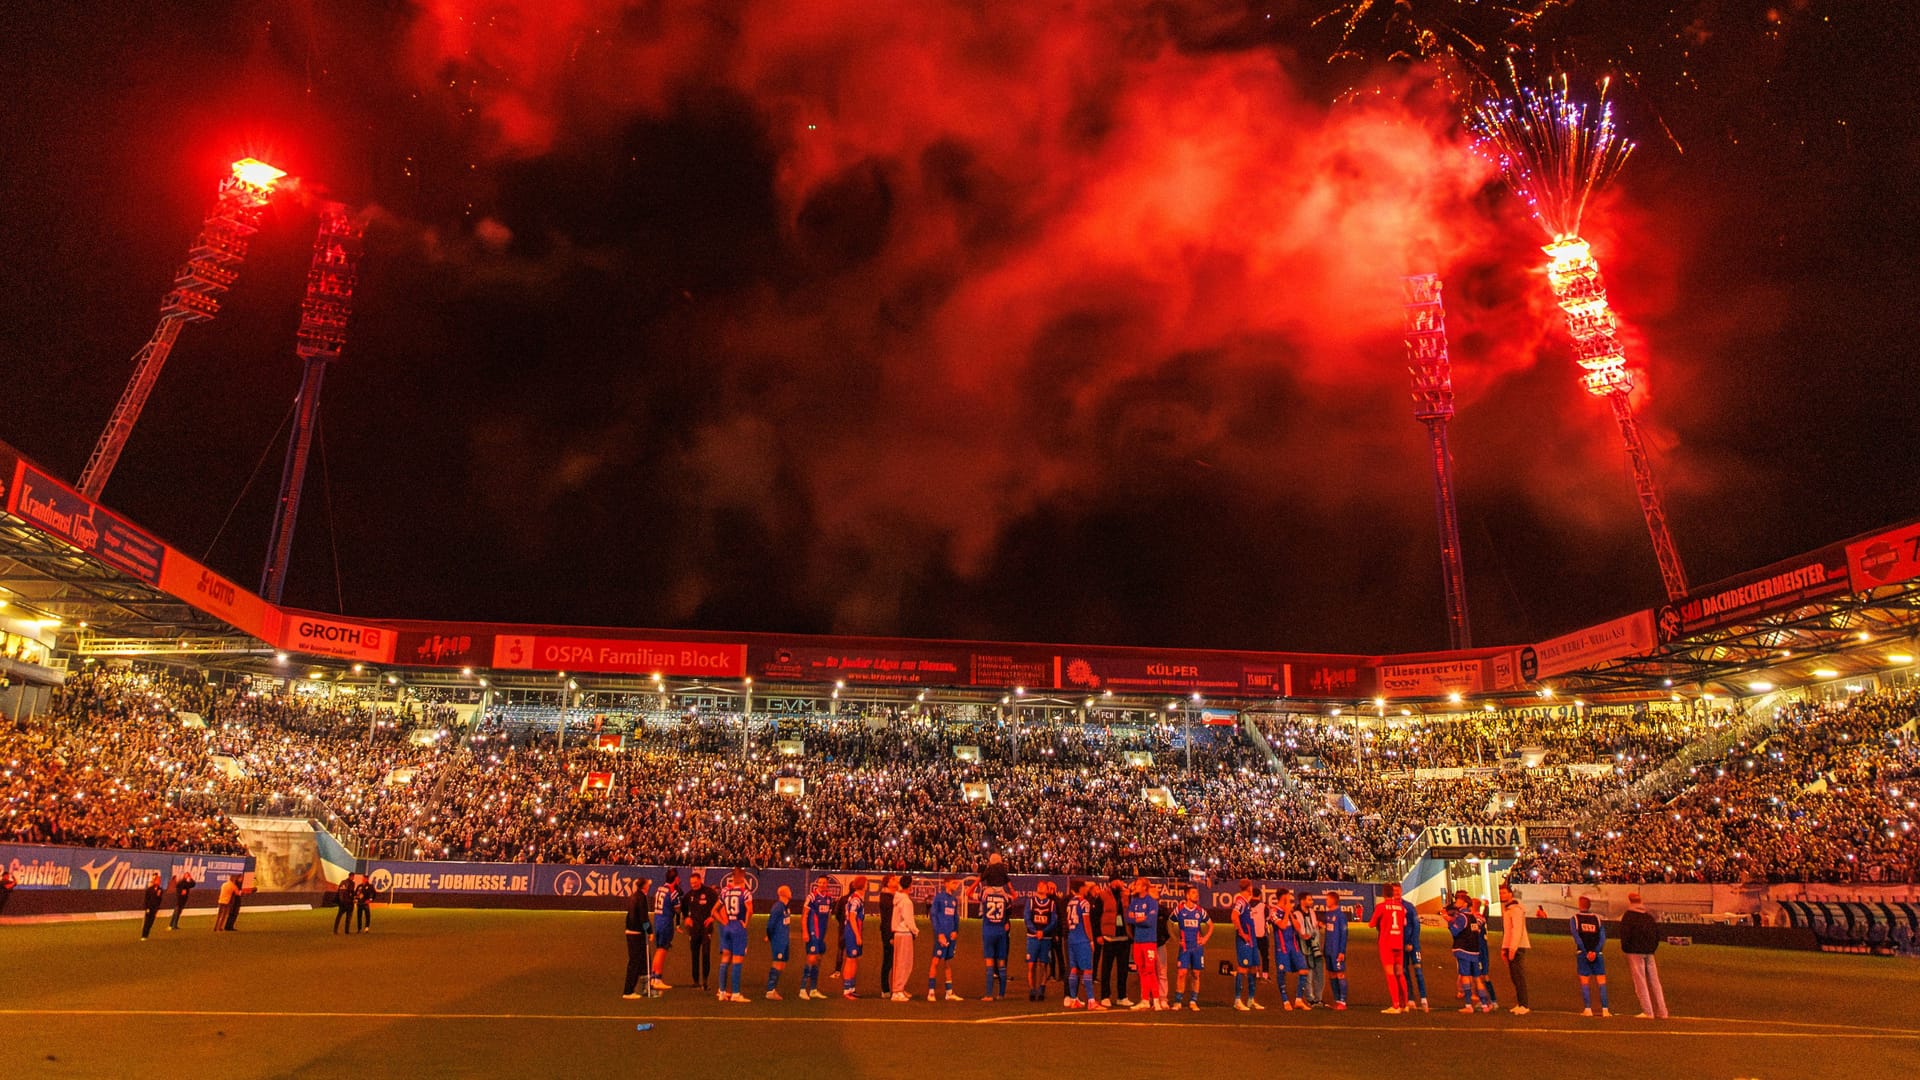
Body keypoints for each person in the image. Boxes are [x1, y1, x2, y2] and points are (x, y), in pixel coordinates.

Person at [1619, 892, 1669, 1019]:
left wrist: (1626, 948)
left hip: (1635, 952)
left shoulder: (1629, 916)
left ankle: (1648, 1011)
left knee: (1640, 982)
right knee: (1655, 982)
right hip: (1649, 952)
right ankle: (1663, 1012)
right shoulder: (1648, 916)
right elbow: (1657, 934)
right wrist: (1652, 948)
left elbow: (1625, 935)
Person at [1446, 891, 1491, 1014]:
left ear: (1465, 903)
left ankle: (1468, 1005)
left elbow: (1455, 932)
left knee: (1465, 977)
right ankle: (1484, 1005)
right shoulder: (1474, 917)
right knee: (1477, 978)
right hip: (1474, 951)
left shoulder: (1462, 917)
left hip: (1463, 950)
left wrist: (1449, 922)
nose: (1456, 902)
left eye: (1459, 900)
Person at [1370, 882, 1411, 1013]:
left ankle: (1395, 1005)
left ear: (1383, 893)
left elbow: (1371, 924)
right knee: (1400, 973)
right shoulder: (1401, 907)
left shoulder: (1381, 906)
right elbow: (1404, 923)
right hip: (1398, 941)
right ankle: (1405, 1005)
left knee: (1390, 974)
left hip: (1386, 942)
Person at [1126, 877, 1165, 1011]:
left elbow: (1149, 921)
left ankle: (1156, 1000)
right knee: (1141, 970)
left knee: (1150, 971)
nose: (1135, 886)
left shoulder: (1151, 902)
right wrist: (1141, 918)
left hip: (1149, 941)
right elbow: (1128, 918)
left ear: (1144, 887)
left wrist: (1137, 919)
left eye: (1137, 884)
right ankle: (1144, 1000)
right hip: (1138, 941)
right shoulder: (1135, 901)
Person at [715, 868, 753, 1003]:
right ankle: (736, 993)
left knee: (725, 958)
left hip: (728, 926)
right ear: (742, 877)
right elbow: (750, 910)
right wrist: (745, 923)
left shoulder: (725, 891)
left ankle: (722, 992)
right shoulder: (745, 893)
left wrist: (724, 921)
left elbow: (714, 911)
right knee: (737, 960)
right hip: (738, 927)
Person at [1064, 879, 1102, 1010]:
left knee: (1074, 969)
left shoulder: (1070, 903)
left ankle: (1074, 999)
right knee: (1087, 969)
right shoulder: (1083, 903)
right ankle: (1091, 1001)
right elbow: (1086, 923)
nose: (1087, 889)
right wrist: (1091, 940)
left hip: (1072, 938)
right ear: (1080, 889)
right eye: (1085, 887)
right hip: (1082, 940)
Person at [1571, 895, 1612, 1017]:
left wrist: (1586, 951)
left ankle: (1588, 1009)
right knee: (1601, 982)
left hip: (1583, 955)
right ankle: (1605, 1009)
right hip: (1597, 954)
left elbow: (1577, 937)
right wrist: (1595, 951)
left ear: (1579, 905)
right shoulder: (1597, 919)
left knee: (1585, 982)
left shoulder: (1575, 919)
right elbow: (1603, 937)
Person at [1172, 885, 1210, 1011]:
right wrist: (1176, 938)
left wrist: (1205, 938)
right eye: (1193, 893)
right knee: (1181, 973)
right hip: (1184, 947)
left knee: (1196, 973)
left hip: (1197, 947)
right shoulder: (1179, 910)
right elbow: (1169, 922)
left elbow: (1211, 925)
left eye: (1196, 893)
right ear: (1187, 895)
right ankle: (1178, 1001)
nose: (1196, 895)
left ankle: (1193, 1001)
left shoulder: (1200, 911)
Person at [1273, 890, 1312, 1010]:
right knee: (1282, 972)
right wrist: (1286, 913)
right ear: (1283, 897)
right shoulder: (1274, 911)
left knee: (1303, 970)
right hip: (1282, 947)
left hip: (1293, 946)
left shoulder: (1291, 911)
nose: (1290, 899)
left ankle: (1298, 1000)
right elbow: (1282, 925)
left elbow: (1297, 926)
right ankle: (1285, 1001)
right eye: (1288, 897)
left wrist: (1290, 913)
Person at [1096, 876, 1132, 1007]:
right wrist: (1098, 935)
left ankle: (1122, 996)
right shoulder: (1102, 895)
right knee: (1106, 969)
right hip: (1109, 937)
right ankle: (1105, 996)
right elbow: (1096, 915)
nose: (1121, 883)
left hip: (1124, 938)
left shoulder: (1127, 895)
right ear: (1112, 882)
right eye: (1118, 880)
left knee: (1123, 970)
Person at [1498, 881, 1532, 1015]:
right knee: (1514, 976)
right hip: (1512, 945)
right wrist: (1504, 948)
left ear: (1510, 894)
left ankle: (1524, 1005)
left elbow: (1516, 930)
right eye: (1500, 893)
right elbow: (1507, 931)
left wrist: (1512, 948)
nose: (1502, 895)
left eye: (1504, 893)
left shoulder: (1516, 910)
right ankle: (1520, 1003)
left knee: (1518, 976)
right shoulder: (1508, 909)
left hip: (1518, 946)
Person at [928, 877, 963, 1001]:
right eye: (954, 882)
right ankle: (931, 992)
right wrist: (939, 933)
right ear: (946, 884)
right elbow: (933, 915)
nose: (956, 885)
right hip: (941, 935)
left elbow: (955, 917)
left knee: (948, 963)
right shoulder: (939, 898)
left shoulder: (954, 900)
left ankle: (949, 992)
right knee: (936, 961)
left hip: (951, 935)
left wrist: (955, 931)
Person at [682, 870, 719, 991]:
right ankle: (695, 981)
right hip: (694, 929)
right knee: (694, 954)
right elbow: (683, 908)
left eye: (695, 883)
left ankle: (705, 981)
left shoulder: (710, 893)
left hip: (706, 928)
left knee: (706, 953)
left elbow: (719, 905)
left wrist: (712, 917)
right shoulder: (689, 895)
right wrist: (686, 918)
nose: (693, 885)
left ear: (700, 881)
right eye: (691, 883)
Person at [1230, 880, 1263, 1011]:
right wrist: (1242, 933)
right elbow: (1234, 916)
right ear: (1249, 887)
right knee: (1242, 967)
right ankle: (1237, 1000)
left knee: (1254, 968)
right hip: (1245, 939)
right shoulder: (1240, 901)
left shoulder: (1246, 901)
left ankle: (1251, 999)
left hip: (1252, 939)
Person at [977, 877, 1012, 1001]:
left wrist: (978, 880)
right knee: (1001, 963)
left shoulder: (985, 894)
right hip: (1001, 932)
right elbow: (1014, 897)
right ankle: (1001, 994)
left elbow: (968, 893)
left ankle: (988, 994)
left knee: (989, 963)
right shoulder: (1004, 897)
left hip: (988, 931)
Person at [801, 876, 835, 1000]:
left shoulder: (829, 898)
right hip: (812, 932)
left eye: (824, 882)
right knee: (811, 957)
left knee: (818, 959)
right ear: (817, 884)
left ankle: (813, 989)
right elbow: (804, 915)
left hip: (821, 934)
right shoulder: (811, 897)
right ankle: (802, 988)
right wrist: (805, 932)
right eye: (820, 882)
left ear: (827, 884)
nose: (822, 884)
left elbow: (828, 917)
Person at [1024, 880, 1056, 1001]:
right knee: (1031, 965)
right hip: (1033, 937)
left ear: (1047, 890)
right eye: (1039, 885)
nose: (1040, 887)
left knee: (1043, 964)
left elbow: (1053, 921)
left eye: (1043, 886)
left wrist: (1044, 931)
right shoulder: (1031, 902)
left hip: (1045, 938)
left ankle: (1042, 987)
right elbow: (1027, 918)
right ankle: (1032, 989)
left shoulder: (1051, 904)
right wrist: (1034, 930)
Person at [622, 877, 653, 1000]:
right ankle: (628, 991)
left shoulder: (634, 896)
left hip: (631, 932)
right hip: (636, 934)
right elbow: (643, 918)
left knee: (643, 960)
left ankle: (645, 988)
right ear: (644, 886)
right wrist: (649, 931)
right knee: (635, 962)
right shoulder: (641, 898)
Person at [650, 869, 680, 991]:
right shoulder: (672, 892)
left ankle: (653, 977)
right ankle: (657, 978)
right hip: (666, 922)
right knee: (662, 950)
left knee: (659, 949)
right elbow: (677, 909)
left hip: (657, 921)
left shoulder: (659, 889)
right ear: (675, 878)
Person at [1320, 891, 1350, 1010]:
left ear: (1333, 900)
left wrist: (1342, 951)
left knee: (1340, 974)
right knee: (1331, 975)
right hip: (1328, 950)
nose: (1326, 901)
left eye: (1327, 899)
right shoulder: (1328, 914)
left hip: (1337, 950)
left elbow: (1344, 934)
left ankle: (1343, 1001)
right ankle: (1337, 1000)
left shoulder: (1340, 915)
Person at [1400, 885, 1429, 1011]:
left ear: (1400, 892)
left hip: (1413, 945)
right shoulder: (1394, 907)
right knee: (1405, 971)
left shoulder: (1409, 906)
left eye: (1397, 891)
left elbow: (1416, 926)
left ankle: (1423, 998)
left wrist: (1411, 942)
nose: (1395, 894)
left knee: (1418, 971)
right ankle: (1410, 998)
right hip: (1400, 946)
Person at [838, 875, 867, 1000]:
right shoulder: (855, 899)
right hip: (852, 932)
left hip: (854, 931)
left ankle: (851, 988)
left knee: (854, 959)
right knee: (850, 959)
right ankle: (846, 990)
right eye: (866, 883)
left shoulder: (857, 898)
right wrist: (857, 935)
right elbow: (852, 917)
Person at [889, 873, 917, 1001]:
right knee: (904, 963)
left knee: (899, 962)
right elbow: (909, 920)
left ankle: (899, 988)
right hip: (904, 933)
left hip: (898, 932)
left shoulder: (898, 899)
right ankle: (897, 990)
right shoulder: (906, 901)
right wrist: (915, 931)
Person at [765, 884, 794, 1000]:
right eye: (789, 891)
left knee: (782, 964)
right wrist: (770, 936)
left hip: (784, 940)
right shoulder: (778, 907)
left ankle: (773, 988)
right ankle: (770, 990)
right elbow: (770, 925)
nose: (791, 892)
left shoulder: (786, 907)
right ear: (783, 894)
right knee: (777, 962)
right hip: (778, 940)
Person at [1474, 896, 1499, 1010]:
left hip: (1480, 950)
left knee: (1482, 976)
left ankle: (1492, 1001)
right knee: (1478, 976)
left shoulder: (1477, 918)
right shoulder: (1479, 917)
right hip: (1480, 950)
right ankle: (1484, 999)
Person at [877, 876, 898, 997]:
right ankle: (885, 989)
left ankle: (896, 987)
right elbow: (887, 920)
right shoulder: (886, 897)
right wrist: (890, 936)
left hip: (893, 932)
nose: (897, 881)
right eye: (894, 880)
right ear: (888, 883)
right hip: (888, 933)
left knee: (895, 962)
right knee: (888, 961)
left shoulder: (893, 895)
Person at [140, 874, 164, 940]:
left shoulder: (160, 890)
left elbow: (159, 899)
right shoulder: (149, 889)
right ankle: (143, 935)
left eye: (159, 880)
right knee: (147, 922)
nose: (158, 882)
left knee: (151, 922)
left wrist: (158, 908)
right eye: (157, 880)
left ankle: (147, 934)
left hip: (155, 908)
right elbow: (146, 899)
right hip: (149, 907)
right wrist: (146, 908)